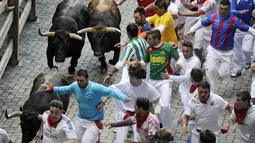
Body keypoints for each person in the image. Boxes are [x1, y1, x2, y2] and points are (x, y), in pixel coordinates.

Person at [40, 69, 131, 143]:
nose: (79, 83)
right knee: (77, 141)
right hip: (80, 119)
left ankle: (95, 138)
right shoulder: (75, 86)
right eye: (78, 80)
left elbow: (111, 91)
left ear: (87, 79)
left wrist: (124, 98)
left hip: (93, 122)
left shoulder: (95, 87)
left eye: (81, 80)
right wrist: (51, 88)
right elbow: (66, 89)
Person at [185, 0, 255, 93]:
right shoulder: (213, 17)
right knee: (210, 70)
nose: (222, 11)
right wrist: (191, 30)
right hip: (213, 50)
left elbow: (247, 28)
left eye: (225, 9)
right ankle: (212, 93)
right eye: (221, 9)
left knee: (223, 75)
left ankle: (217, 77)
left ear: (229, 9)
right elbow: (201, 23)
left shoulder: (234, 20)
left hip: (227, 53)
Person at [102, 61, 161, 143]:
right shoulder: (124, 84)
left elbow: (157, 102)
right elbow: (111, 91)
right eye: (129, 76)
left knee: (138, 138)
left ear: (139, 77)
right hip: (124, 114)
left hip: (140, 116)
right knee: (120, 140)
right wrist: (103, 102)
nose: (129, 79)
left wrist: (156, 113)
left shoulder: (147, 88)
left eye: (132, 77)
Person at [143, 29, 179, 129]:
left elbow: (178, 58)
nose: (147, 40)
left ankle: (168, 130)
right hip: (152, 81)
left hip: (165, 81)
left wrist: (178, 62)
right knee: (157, 106)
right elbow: (144, 63)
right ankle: (160, 125)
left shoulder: (168, 47)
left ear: (157, 39)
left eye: (149, 39)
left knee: (165, 105)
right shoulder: (148, 49)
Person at [230, 0, 255, 78]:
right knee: (237, 51)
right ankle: (238, 69)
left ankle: (248, 60)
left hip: (249, 28)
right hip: (237, 28)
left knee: (246, 49)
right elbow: (232, 11)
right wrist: (240, 12)